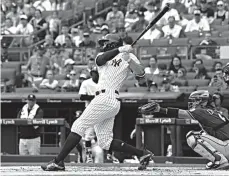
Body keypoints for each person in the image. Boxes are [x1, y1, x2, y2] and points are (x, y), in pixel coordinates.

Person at [41, 34, 153, 171]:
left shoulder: (128, 56)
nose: (103, 45)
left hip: (108, 97)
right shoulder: (104, 55)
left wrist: (129, 60)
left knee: (78, 125)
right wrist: (121, 50)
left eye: (105, 42)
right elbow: (101, 60)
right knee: (105, 142)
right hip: (105, 99)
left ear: (112, 43)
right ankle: (142, 154)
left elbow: (141, 77)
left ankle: (58, 161)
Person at [139, 90, 229, 170]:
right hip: (225, 144)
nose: (192, 103)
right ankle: (220, 159)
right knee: (202, 134)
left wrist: (160, 109)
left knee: (192, 136)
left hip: (226, 145)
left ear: (203, 102)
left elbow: (181, 113)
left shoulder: (202, 111)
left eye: (195, 100)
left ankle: (219, 160)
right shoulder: (211, 111)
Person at [78, 68, 104, 163]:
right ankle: (89, 157)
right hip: (90, 112)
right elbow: (81, 96)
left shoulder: (104, 83)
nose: (95, 75)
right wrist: (94, 97)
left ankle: (110, 155)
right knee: (88, 136)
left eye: (97, 73)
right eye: (93, 73)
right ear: (91, 74)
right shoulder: (86, 83)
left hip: (102, 111)